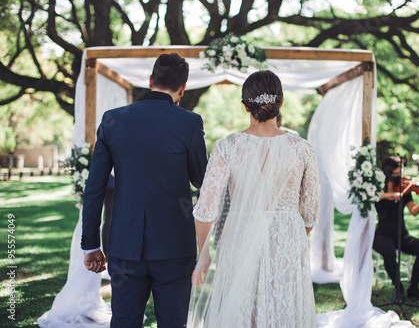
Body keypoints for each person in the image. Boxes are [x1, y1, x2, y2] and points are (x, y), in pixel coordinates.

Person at [81, 53, 208, 327]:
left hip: (125, 246)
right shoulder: (189, 122)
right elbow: (202, 180)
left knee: (124, 322)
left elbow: (95, 187)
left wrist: (91, 244)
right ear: (182, 89)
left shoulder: (113, 119)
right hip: (175, 247)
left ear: (151, 80)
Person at [188, 70, 319, 327]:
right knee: (283, 310)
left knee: (242, 309)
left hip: (240, 234)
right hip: (288, 239)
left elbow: (205, 209)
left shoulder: (228, 146)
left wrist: (203, 255)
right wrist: (289, 238)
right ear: (280, 103)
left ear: (245, 106)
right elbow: (311, 211)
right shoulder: (302, 148)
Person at [372, 156, 419, 299]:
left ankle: (413, 287)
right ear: (387, 173)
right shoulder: (377, 188)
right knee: (389, 252)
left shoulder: (404, 188)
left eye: (399, 173)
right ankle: (399, 288)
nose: (399, 177)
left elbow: (414, 211)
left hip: (401, 234)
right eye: (395, 174)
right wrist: (388, 195)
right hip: (382, 235)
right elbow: (368, 196)